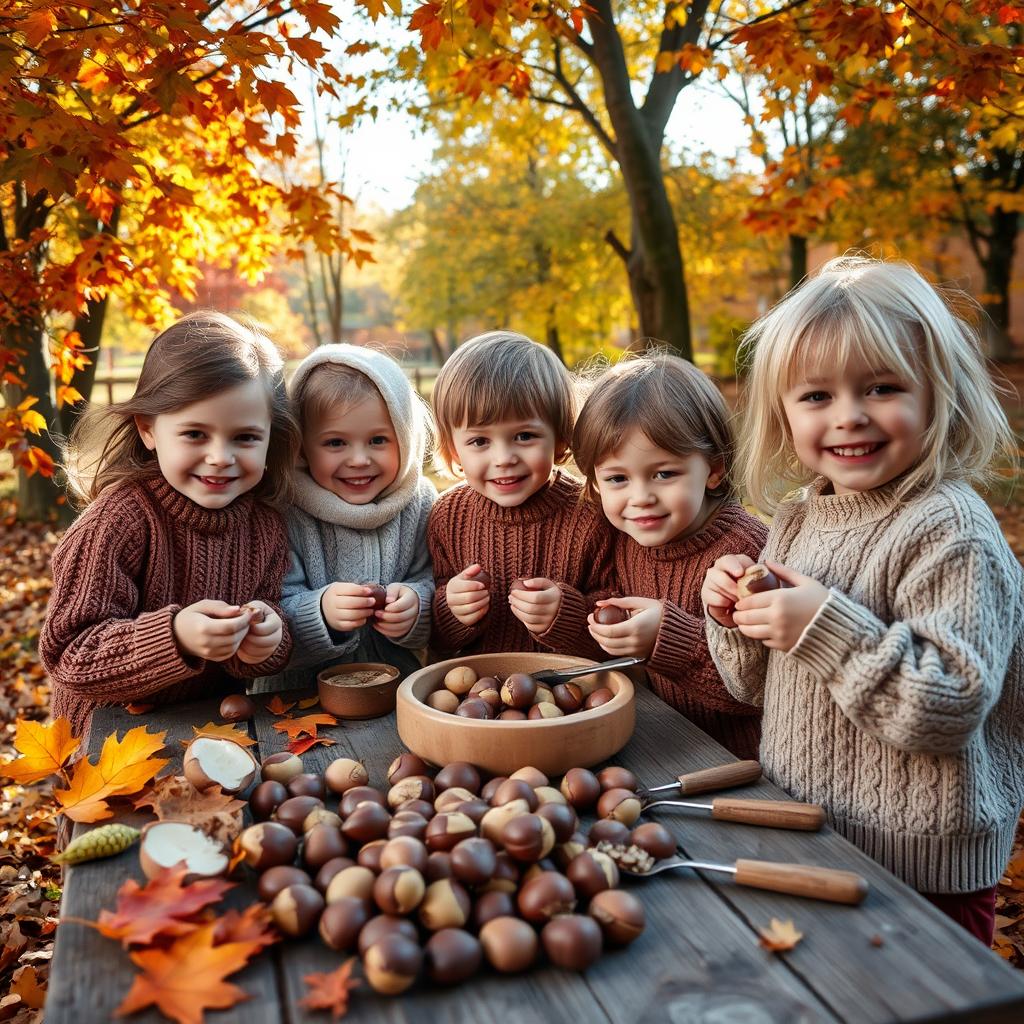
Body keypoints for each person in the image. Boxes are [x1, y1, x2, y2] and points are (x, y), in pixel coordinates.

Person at [701, 255, 1024, 945]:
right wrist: (733, 616)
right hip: (806, 828)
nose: (848, 417)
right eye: (816, 397)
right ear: (784, 414)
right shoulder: (796, 520)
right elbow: (753, 686)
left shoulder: (949, 529)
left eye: (880, 388)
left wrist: (821, 626)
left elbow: (947, 707)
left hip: (923, 863)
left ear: (937, 394)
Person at [40, 311, 296, 745]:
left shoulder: (265, 527)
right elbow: (68, 653)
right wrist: (175, 636)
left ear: (272, 436)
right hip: (107, 740)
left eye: (246, 437)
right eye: (195, 434)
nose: (220, 456)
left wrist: (267, 641)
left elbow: (265, 623)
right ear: (148, 429)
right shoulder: (120, 520)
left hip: (209, 733)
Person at [573, 353, 767, 758]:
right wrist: (567, 615)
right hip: (664, 746)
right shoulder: (627, 540)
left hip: (739, 762)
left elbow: (759, 691)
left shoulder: (745, 554)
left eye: (664, 474)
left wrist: (669, 637)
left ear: (714, 469)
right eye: (617, 479)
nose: (640, 497)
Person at [254, 344, 436, 690]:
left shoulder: (418, 502)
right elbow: (268, 606)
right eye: (336, 443)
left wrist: (416, 606)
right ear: (302, 446)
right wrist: (320, 612)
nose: (359, 459)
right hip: (295, 692)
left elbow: (433, 580)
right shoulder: (284, 508)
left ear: (405, 436)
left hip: (394, 685)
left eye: (378, 440)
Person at [428, 331, 614, 657]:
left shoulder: (591, 515)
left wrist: (566, 615)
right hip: (474, 693)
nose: (504, 458)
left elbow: (614, 621)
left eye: (524, 436)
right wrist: (451, 609)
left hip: (568, 691)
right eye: (480, 441)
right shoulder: (447, 516)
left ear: (560, 438)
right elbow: (435, 638)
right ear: (454, 450)